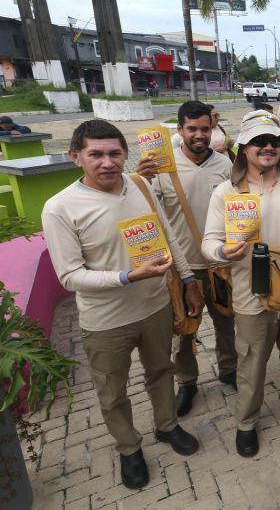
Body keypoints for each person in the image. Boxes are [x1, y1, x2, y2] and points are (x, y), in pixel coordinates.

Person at [42, 120, 202, 489]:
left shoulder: (141, 185)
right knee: (112, 391)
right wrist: (127, 276)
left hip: (156, 307)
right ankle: (129, 448)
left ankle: (167, 426)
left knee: (161, 371)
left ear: (125, 154)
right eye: (95, 154)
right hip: (105, 321)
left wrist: (189, 280)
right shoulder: (60, 208)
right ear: (75, 157)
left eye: (114, 153)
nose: (107, 162)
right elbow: (70, 276)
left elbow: (169, 238)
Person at [201, 110, 280, 458]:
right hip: (250, 293)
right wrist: (223, 251)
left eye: (273, 141)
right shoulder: (226, 193)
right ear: (243, 147)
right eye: (259, 141)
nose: (267, 147)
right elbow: (208, 243)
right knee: (252, 361)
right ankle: (246, 421)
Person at [137, 100, 238, 417]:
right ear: (179, 130)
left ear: (213, 129)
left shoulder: (224, 166)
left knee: (226, 322)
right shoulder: (162, 168)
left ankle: (230, 369)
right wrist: (141, 182)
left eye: (205, 129)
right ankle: (188, 382)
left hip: (219, 264)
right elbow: (146, 214)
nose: (199, 135)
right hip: (184, 267)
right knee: (185, 331)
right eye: (191, 128)